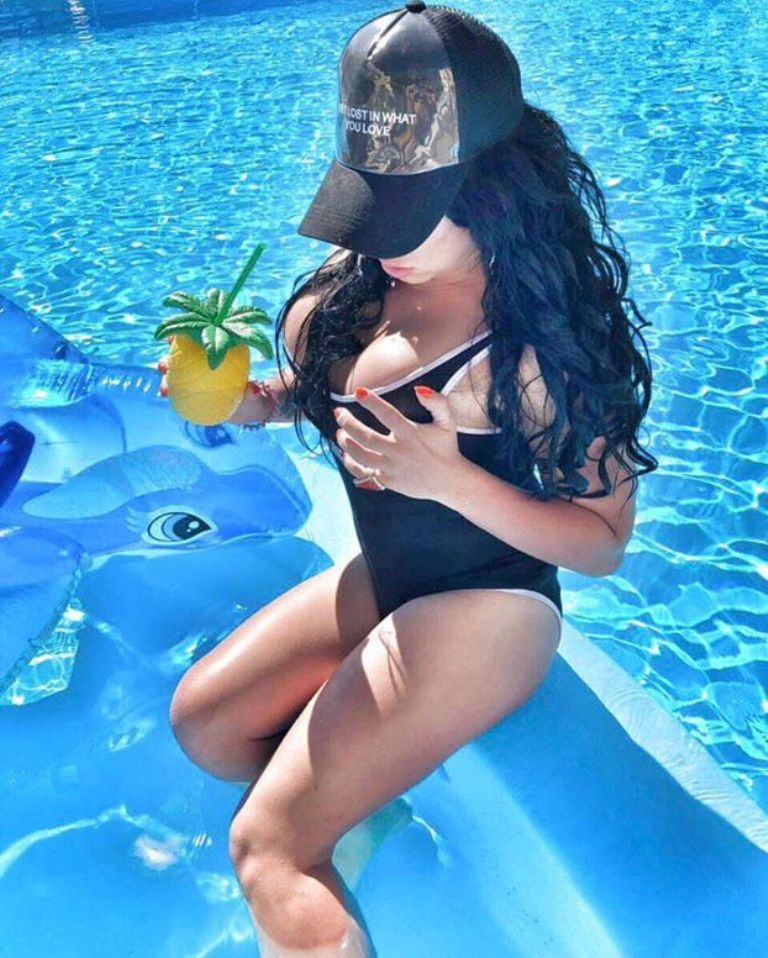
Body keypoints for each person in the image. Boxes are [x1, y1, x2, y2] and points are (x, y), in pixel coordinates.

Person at [160, 2, 658, 955]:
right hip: (390, 582)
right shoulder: (371, 270)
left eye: (406, 212)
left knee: (266, 850)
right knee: (206, 727)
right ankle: (354, 809)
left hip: (489, 610)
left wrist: (449, 479)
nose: (379, 237)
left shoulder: (529, 344)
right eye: (369, 202)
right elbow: (325, 393)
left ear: (495, 194)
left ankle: (313, 840)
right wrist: (252, 402)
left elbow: (602, 544)